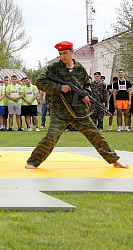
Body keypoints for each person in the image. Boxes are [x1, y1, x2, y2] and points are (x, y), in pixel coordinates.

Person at [25, 41, 128, 169]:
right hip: (60, 111)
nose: (63, 56)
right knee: (51, 136)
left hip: (80, 111)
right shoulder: (54, 67)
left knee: (95, 135)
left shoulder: (80, 68)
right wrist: (59, 87)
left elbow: (86, 85)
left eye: (65, 53)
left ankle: (114, 160)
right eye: (60, 53)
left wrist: (86, 96)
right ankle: (33, 162)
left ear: (72, 52)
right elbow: (40, 82)